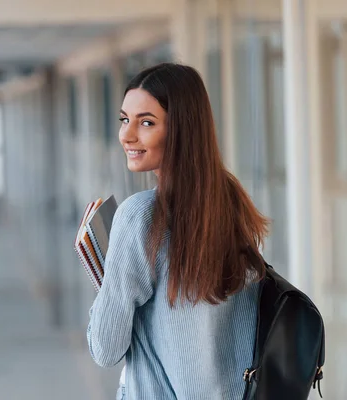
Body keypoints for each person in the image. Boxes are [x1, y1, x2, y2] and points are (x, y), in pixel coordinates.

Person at [86, 63, 269, 400]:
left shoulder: (138, 217)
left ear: (181, 129)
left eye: (146, 122)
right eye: (125, 119)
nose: (127, 135)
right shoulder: (232, 201)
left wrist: (107, 282)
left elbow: (105, 348)